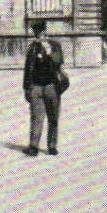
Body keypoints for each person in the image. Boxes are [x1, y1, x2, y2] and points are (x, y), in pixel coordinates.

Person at [23, 19, 65, 156]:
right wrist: (26, 88)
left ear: (45, 31)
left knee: (53, 118)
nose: (38, 35)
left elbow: (59, 62)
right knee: (36, 117)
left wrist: (49, 52)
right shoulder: (32, 47)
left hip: (52, 86)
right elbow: (27, 68)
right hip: (36, 87)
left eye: (40, 32)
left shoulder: (55, 45)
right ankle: (33, 146)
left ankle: (52, 146)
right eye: (36, 33)